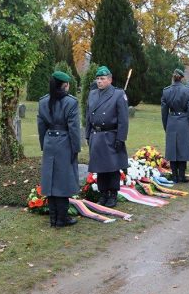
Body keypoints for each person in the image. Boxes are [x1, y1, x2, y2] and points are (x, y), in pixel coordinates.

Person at [37, 71, 81, 227]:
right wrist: (76, 149)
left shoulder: (43, 102)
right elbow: (74, 129)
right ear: (65, 85)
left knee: (50, 180)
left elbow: (41, 126)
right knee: (63, 180)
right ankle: (62, 219)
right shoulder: (71, 102)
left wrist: (45, 145)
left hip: (50, 141)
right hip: (64, 143)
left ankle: (53, 218)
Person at [85, 66, 129, 207]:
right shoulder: (92, 94)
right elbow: (88, 116)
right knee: (100, 168)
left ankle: (113, 195)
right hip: (96, 135)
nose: (99, 81)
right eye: (97, 79)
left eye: (102, 79)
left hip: (111, 135)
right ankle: (103, 194)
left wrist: (120, 138)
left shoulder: (117, 94)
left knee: (112, 168)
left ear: (110, 79)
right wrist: (87, 135)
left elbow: (123, 119)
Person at [161, 68, 189, 183]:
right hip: (184, 122)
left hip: (171, 121)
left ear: (173, 77)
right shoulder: (188, 91)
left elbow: (164, 112)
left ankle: (175, 176)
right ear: (182, 78)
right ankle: (181, 176)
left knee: (172, 149)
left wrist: (166, 125)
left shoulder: (166, 91)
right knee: (183, 149)